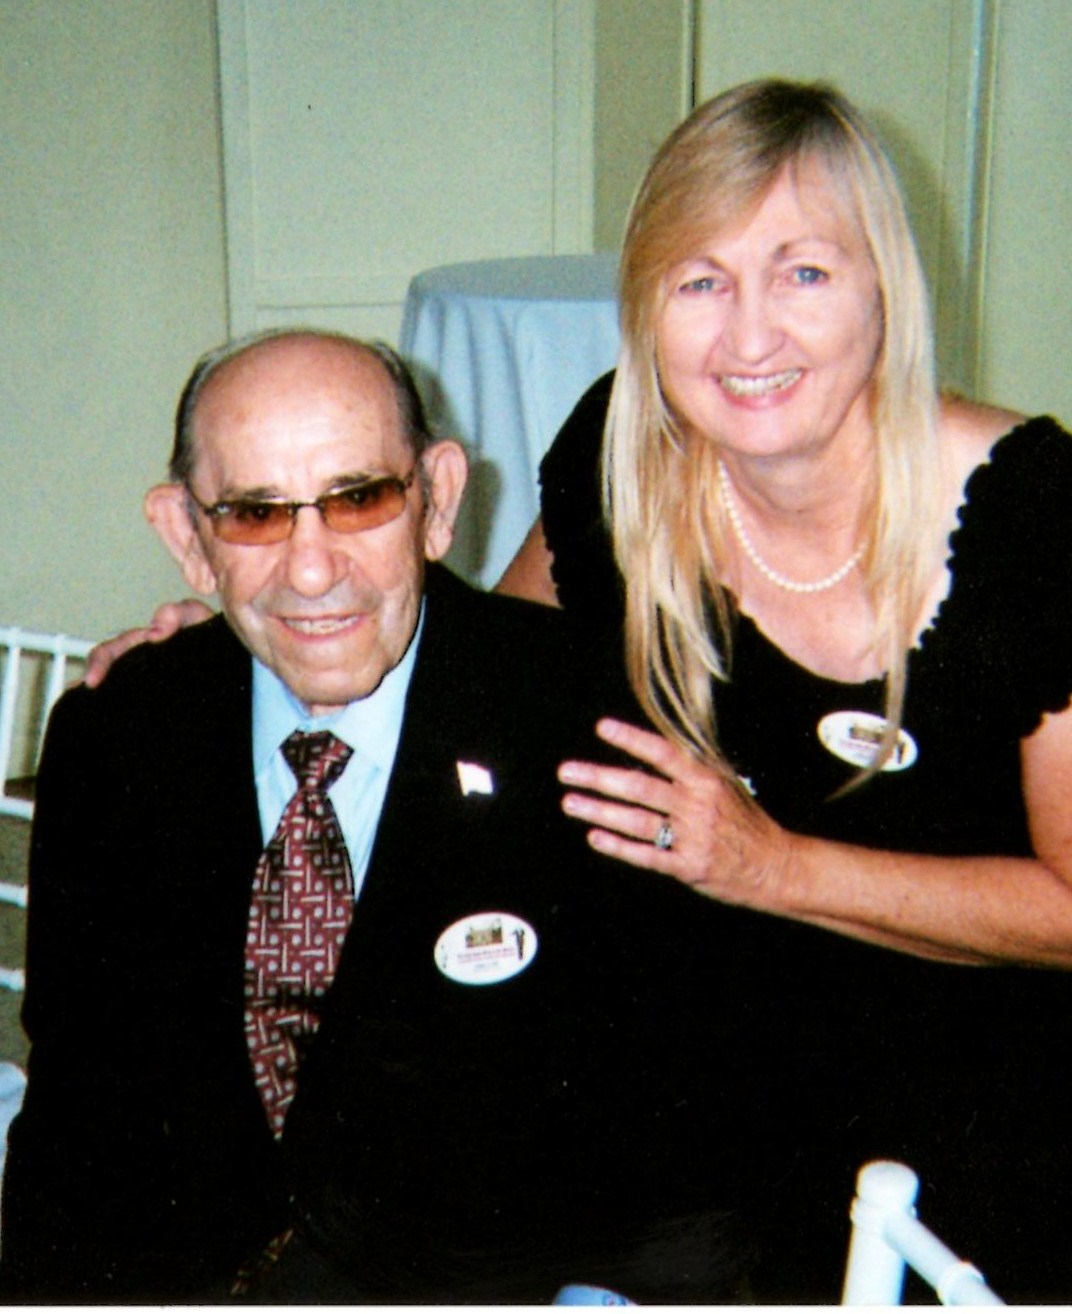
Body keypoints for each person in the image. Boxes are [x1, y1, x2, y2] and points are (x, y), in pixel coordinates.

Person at [0, 330, 780, 1302]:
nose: (313, 570)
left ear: (438, 501)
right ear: (186, 538)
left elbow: (692, 1160)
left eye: (360, 497)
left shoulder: (596, 726)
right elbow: (73, 1122)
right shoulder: (115, 735)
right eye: (253, 514)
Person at [498, 78, 1072, 1301]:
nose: (747, 338)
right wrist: (236, 636)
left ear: (885, 290)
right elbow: (485, 671)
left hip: (975, 1096)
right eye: (698, 281)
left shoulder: (1035, 517)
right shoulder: (624, 459)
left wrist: (769, 866)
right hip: (689, 1069)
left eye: (803, 273)